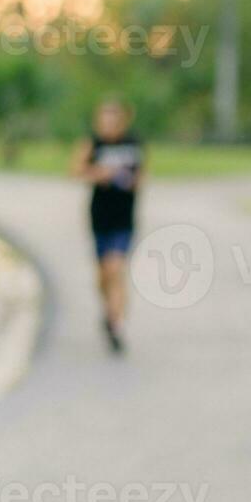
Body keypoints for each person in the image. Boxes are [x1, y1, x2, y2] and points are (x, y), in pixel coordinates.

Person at [69, 97, 145, 355]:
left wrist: (129, 180)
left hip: (124, 219)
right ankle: (109, 311)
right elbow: (75, 170)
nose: (109, 124)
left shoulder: (134, 144)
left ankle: (116, 323)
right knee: (103, 274)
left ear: (122, 121)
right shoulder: (93, 143)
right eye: (105, 120)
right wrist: (100, 174)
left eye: (114, 119)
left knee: (116, 267)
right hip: (100, 217)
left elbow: (142, 176)